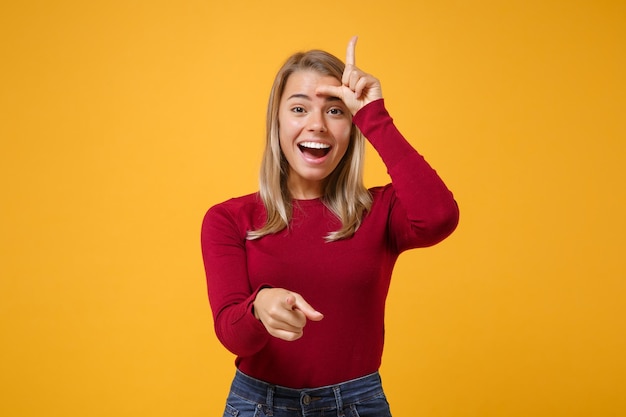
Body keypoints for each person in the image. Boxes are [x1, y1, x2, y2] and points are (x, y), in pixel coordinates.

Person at [201, 36, 459, 417]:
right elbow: (231, 334)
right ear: (277, 121)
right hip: (258, 405)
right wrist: (259, 307)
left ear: (352, 125)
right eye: (299, 108)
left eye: (335, 111)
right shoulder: (227, 219)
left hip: (358, 404)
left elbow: (439, 216)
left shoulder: (380, 211)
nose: (317, 125)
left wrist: (374, 114)